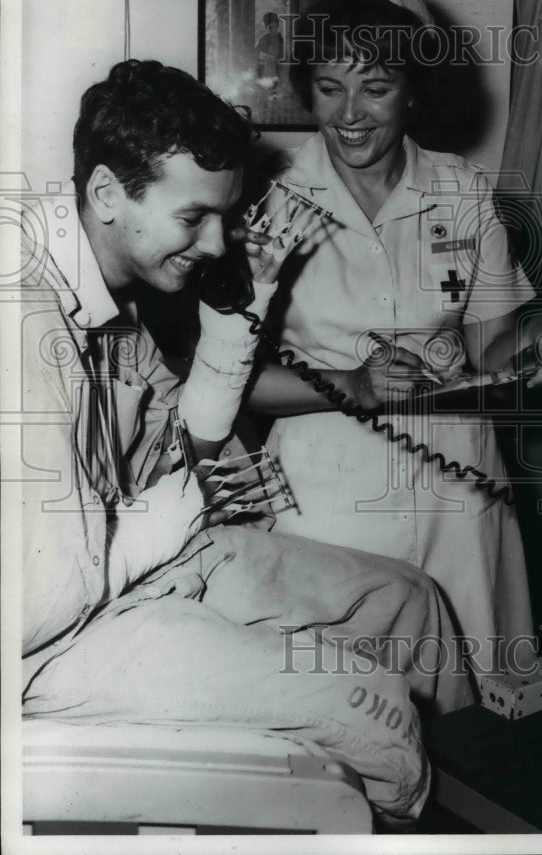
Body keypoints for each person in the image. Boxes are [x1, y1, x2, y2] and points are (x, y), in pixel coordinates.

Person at [17, 59, 471, 830]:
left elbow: (190, 437)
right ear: (104, 193)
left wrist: (243, 311)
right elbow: (40, 601)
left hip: (136, 562)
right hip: (55, 639)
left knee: (406, 600)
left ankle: (459, 806)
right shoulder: (24, 326)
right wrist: (182, 504)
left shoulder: (103, 294)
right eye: (194, 218)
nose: (215, 241)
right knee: (381, 715)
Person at [247, 0, 542, 685]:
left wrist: (540, 335)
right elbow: (225, 377)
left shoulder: (462, 189)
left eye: (377, 88)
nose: (349, 115)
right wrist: (350, 381)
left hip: (458, 486)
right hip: (326, 491)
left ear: (413, 92)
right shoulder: (267, 201)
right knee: (344, 708)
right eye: (329, 89)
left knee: (476, 706)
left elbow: (492, 346)